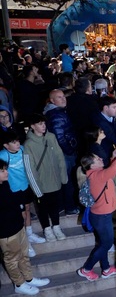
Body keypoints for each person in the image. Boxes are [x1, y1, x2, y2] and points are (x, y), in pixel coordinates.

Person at [0, 159, 51, 295]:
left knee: (24, 255)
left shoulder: (4, 184)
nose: (6, 172)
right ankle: (19, 284)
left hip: (18, 227)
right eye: (2, 170)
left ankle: (29, 278)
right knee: (12, 260)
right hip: (6, 233)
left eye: (5, 169)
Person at [76, 149, 116, 281]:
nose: (100, 159)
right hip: (102, 217)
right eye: (97, 159)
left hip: (101, 216)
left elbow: (111, 171)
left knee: (103, 243)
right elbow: (112, 169)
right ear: (92, 165)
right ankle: (86, 269)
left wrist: (113, 158)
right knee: (106, 244)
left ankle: (106, 269)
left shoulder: (96, 174)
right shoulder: (97, 176)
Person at [24, 114, 68, 242]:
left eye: (44, 123)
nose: (43, 126)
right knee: (42, 208)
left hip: (55, 180)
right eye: (39, 124)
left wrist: (63, 176)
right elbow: (30, 168)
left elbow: (60, 157)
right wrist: (37, 188)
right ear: (32, 126)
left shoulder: (51, 137)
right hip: (41, 183)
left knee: (55, 206)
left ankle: (56, 226)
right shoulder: (28, 144)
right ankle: (47, 229)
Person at [0, 131, 44, 257]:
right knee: (22, 214)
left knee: (28, 208)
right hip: (13, 190)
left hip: (26, 186)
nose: (17, 144)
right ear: (6, 145)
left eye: (18, 141)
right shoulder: (2, 155)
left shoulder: (24, 150)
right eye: (13, 142)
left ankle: (30, 234)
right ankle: (26, 241)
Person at [44, 89, 79, 215]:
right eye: (59, 97)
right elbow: (59, 137)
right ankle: (69, 206)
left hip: (64, 152)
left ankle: (63, 206)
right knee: (67, 180)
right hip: (64, 154)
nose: (63, 99)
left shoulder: (56, 112)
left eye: (64, 96)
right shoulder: (56, 115)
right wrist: (69, 150)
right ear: (52, 101)